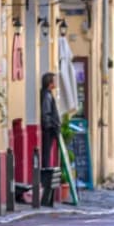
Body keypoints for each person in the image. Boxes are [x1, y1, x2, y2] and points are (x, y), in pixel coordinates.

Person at [38, 72, 61, 205]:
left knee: (47, 155)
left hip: (50, 129)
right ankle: (45, 187)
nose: (56, 83)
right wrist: (50, 126)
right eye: (54, 81)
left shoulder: (48, 95)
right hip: (49, 130)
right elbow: (46, 113)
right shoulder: (47, 95)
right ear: (50, 83)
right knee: (46, 156)